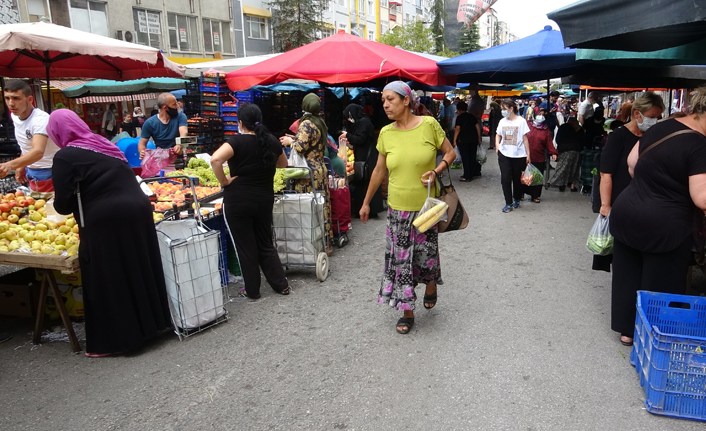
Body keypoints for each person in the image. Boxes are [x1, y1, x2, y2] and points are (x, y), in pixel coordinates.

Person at [47, 109, 172, 357]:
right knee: (138, 265)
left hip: (106, 218)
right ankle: (154, 326)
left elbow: (62, 204)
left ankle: (122, 340)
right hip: (137, 208)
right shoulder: (102, 143)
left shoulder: (66, 156)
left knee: (109, 275)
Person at [608, 87, 706, 347]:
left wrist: (650, 187)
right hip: (665, 224)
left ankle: (627, 331)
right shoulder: (700, 146)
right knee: (659, 280)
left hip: (628, 209)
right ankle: (650, 337)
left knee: (628, 273)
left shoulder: (664, 126)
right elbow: (702, 197)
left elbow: (632, 163)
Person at [360, 81, 456, 335]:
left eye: (390, 99)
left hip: (427, 208)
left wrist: (437, 171)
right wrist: (366, 202)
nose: (385, 104)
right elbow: (379, 170)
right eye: (383, 101)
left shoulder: (429, 125)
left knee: (426, 256)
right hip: (398, 209)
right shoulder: (386, 133)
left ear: (406, 100)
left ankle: (431, 282)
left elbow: (449, 153)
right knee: (402, 262)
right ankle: (407, 311)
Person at [211, 104, 290, 299]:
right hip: (264, 198)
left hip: (238, 200)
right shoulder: (270, 141)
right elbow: (283, 163)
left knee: (246, 246)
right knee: (265, 242)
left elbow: (215, 160)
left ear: (240, 123)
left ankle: (252, 290)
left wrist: (224, 181)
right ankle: (281, 285)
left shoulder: (236, 142)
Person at [280, 93, 334, 254]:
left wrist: (291, 142)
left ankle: (312, 245)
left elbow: (301, 147)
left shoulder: (307, 124)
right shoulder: (320, 122)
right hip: (320, 168)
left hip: (307, 174)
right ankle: (327, 243)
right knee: (322, 205)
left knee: (309, 207)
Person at [599, 92, 665, 218]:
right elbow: (605, 173)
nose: (654, 121)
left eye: (658, 117)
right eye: (651, 117)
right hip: (621, 200)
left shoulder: (653, 137)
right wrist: (605, 205)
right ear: (637, 114)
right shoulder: (618, 137)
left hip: (647, 201)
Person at [1, 79, 60, 192]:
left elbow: (38, 151)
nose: (11, 103)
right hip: (32, 168)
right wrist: (21, 165)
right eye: (7, 98)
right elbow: (26, 143)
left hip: (48, 170)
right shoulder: (15, 116)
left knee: (47, 207)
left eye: (16, 98)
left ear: (30, 99)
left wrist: (10, 165)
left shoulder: (40, 120)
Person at [340, 103, 384, 217]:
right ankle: (367, 208)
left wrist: (348, 136)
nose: (349, 120)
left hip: (368, 159)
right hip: (364, 158)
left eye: (349, 116)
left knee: (367, 182)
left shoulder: (364, 123)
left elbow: (361, 139)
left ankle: (371, 209)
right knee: (364, 182)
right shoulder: (363, 122)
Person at [495, 99, 531, 213]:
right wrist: (497, 146)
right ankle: (508, 203)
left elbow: (525, 138)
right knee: (505, 178)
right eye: (502, 109)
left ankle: (516, 198)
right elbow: (498, 134)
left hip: (519, 154)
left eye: (504, 109)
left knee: (517, 178)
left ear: (511, 109)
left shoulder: (521, 121)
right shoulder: (502, 122)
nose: (503, 111)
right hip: (504, 153)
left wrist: (528, 154)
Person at [138, 93, 187, 159]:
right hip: (160, 158)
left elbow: (184, 132)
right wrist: (142, 152)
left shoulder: (180, 116)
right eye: (174, 104)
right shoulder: (150, 123)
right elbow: (142, 143)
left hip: (178, 156)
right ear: (165, 108)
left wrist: (179, 144)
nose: (177, 106)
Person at [524, 108, 558, 203]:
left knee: (537, 177)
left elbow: (549, 143)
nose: (541, 116)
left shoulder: (545, 130)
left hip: (539, 157)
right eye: (540, 113)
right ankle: (521, 193)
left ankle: (535, 196)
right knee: (524, 176)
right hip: (525, 155)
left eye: (543, 114)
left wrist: (553, 153)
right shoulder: (528, 125)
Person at [552, 116, 584, 192]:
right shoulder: (579, 129)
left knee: (563, 168)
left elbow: (558, 139)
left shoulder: (563, 127)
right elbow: (583, 141)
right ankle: (573, 185)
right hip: (576, 151)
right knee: (574, 169)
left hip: (564, 150)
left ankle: (561, 184)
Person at [453, 101, 481, 182]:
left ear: (458, 109)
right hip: (473, 140)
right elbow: (477, 127)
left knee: (465, 158)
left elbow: (457, 129)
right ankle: (471, 173)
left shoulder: (459, 118)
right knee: (472, 157)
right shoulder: (472, 116)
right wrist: (479, 138)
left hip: (463, 140)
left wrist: (454, 140)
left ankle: (467, 176)